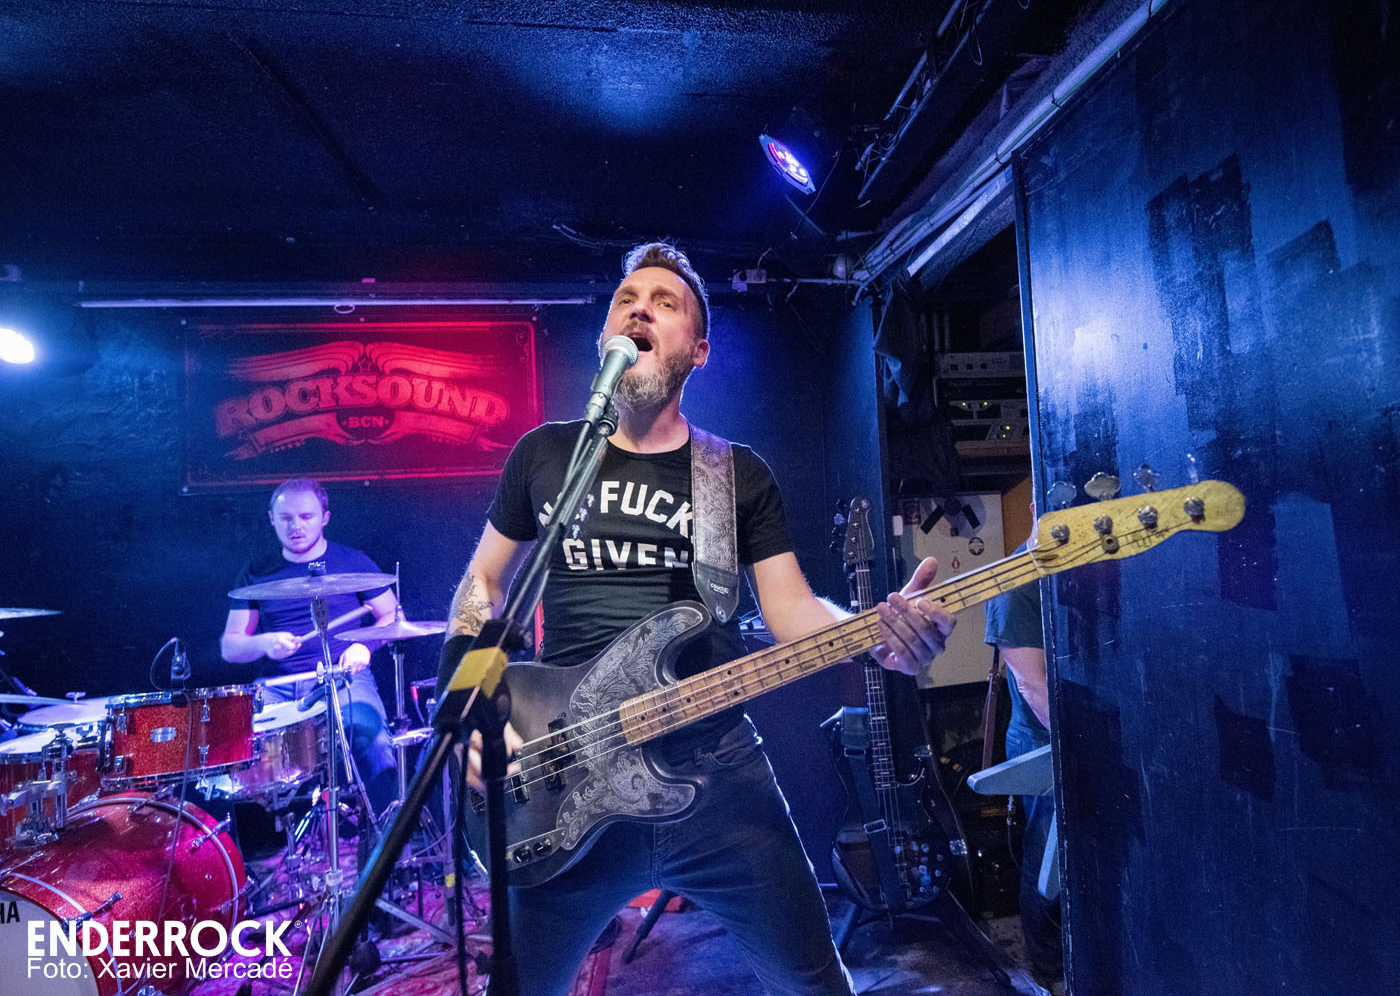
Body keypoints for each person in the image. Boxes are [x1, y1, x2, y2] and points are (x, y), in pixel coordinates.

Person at [439, 242, 956, 996]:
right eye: (625, 300)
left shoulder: (735, 474)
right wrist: (464, 697)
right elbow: (483, 582)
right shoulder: (544, 456)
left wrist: (873, 637)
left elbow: (792, 611)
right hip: (560, 773)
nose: (639, 310)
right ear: (606, 336)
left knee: (815, 986)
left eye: (665, 302)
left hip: (718, 776)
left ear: (699, 350)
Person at [221, 477, 400, 819]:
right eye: (286, 518)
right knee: (236, 752)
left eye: (306, 516)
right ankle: (258, 848)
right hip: (277, 687)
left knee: (373, 741)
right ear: (272, 519)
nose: (296, 526)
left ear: (325, 518)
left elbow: (392, 615)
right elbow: (231, 647)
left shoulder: (352, 562)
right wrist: (264, 643)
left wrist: (364, 644)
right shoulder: (256, 572)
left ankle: (391, 839)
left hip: (342, 678)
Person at [983, 497, 1063, 991]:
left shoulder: (1075, 564)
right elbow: (1035, 686)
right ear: (1036, 507)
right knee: (1049, 866)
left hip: (1079, 735)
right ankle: (1049, 971)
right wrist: (1082, 746)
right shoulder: (1014, 581)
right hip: (1044, 742)